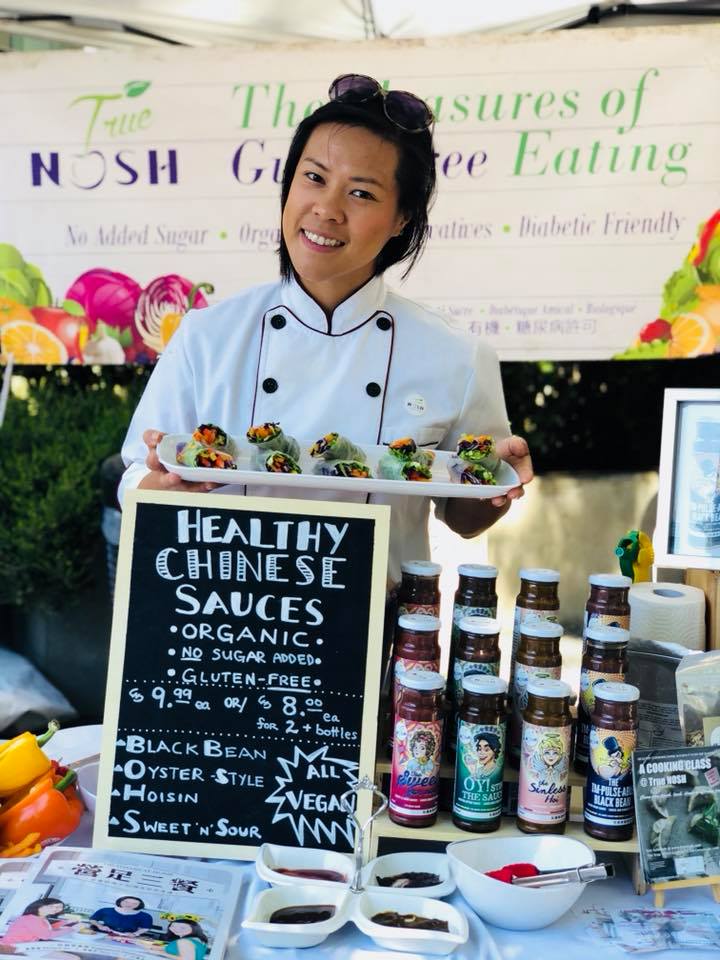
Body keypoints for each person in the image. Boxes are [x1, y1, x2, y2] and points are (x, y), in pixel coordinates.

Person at [119, 73, 533, 582]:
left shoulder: (458, 357)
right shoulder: (206, 335)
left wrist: (495, 490)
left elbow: (465, 515)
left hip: (375, 636)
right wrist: (153, 490)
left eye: (360, 193)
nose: (327, 209)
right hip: (226, 621)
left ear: (402, 217)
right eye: (313, 178)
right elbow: (137, 470)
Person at [0, 899, 75, 945]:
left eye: (59, 907)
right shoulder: (31, 919)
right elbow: (46, 935)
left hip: (23, 946)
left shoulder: (40, 918)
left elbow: (47, 929)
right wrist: (73, 929)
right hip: (13, 948)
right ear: (40, 906)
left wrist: (65, 922)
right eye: (52, 906)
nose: (56, 909)